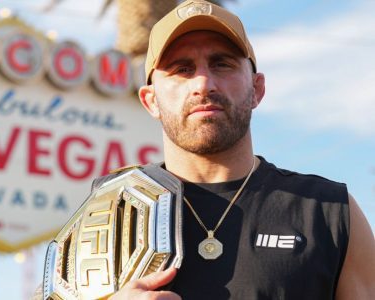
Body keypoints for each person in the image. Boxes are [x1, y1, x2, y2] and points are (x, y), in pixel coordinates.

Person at [39, 0, 375, 299]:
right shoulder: (105, 213)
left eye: (222, 64)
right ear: (151, 100)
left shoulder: (330, 212)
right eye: (182, 69)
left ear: (257, 89)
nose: (203, 84)